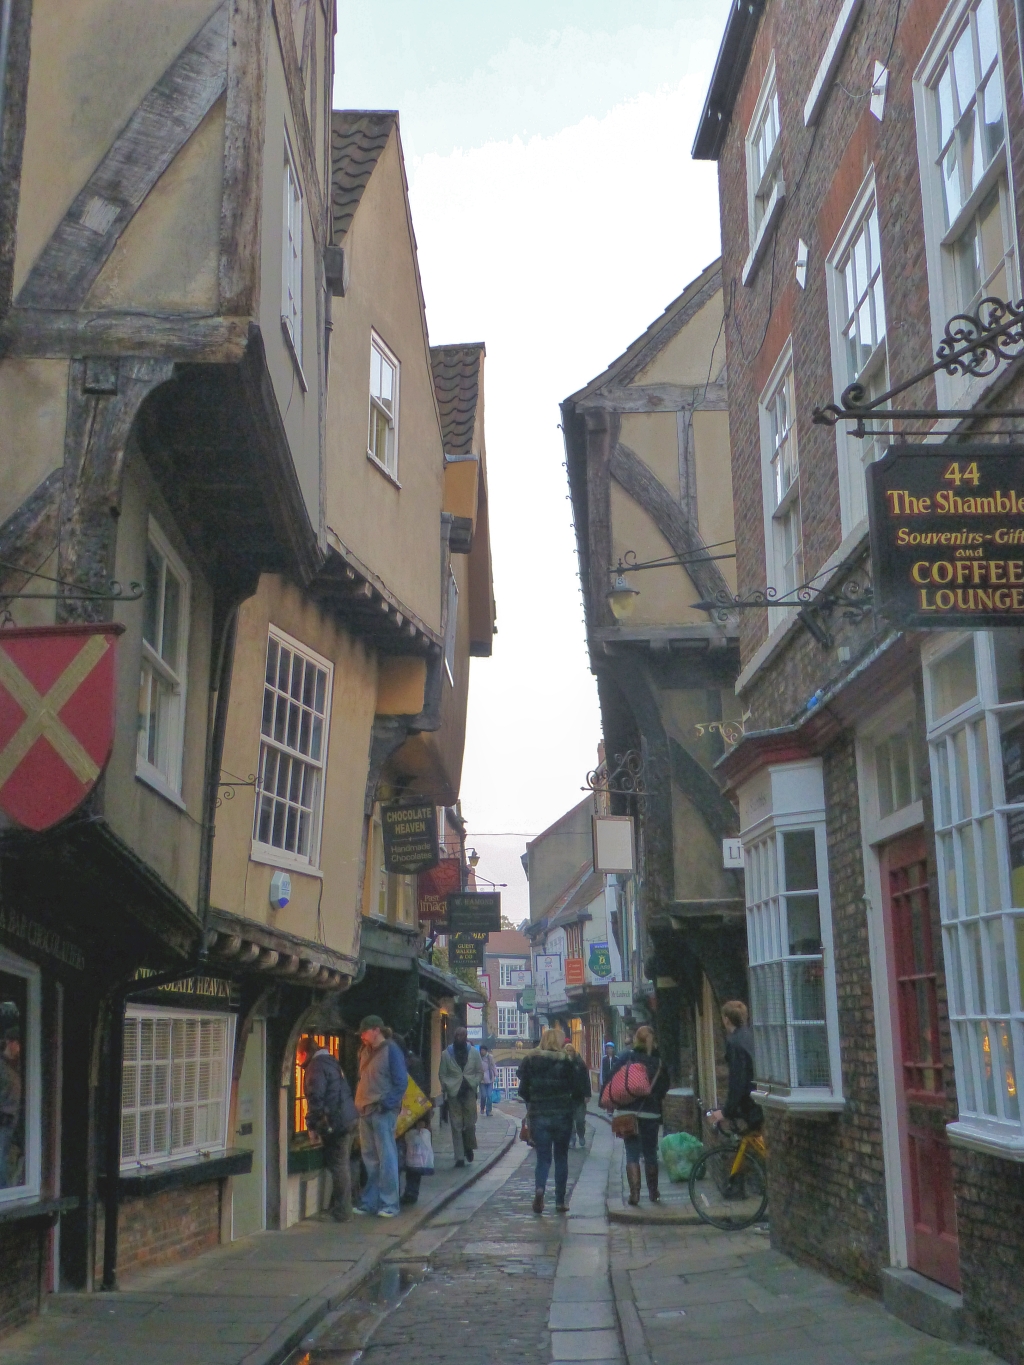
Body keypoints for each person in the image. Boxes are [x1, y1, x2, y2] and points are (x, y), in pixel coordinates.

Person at [517, 1028, 586, 1214]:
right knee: (561, 1157)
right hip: (562, 1115)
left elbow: (522, 1090)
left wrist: (533, 1099)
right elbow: (578, 1090)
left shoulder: (531, 1060)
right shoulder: (567, 1062)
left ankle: (540, 1189)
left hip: (540, 1115)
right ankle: (560, 1201)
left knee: (543, 1158)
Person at [296, 1035, 358, 1222]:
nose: (298, 1061)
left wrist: (312, 1125)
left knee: (339, 1166)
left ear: (305, 1053)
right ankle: (343, 1205)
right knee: (345, 1164)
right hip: (349, 1117)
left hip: (336, 1122)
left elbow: (316, 1097)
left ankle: (342, 1211)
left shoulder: (316, 1067)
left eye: (298, 1057)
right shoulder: (332, 1062)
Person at [608, 1024, 670, 1206]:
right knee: (651, 1152)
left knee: (632, 1153)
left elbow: (613, 1079)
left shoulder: (627, 1057)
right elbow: (664, 1087)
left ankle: (634, 1193)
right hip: (650, 1113)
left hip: (628, 1112)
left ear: (636, 1039)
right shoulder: (658, 1062)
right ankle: (653, 1192)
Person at [353, 1015, 407, 1218]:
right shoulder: (365, 1051)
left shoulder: (391, 1050)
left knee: (387, 1158)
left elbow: (401, 1082)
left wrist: (387, 1104)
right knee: (371, 1159)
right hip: (365, 1110)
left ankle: (390, 1203)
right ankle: (371, 1201)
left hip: (381, 1110)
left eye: (365, 1033)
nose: (362, 1037)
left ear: (376, 1030)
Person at [710, 1000, 763, 1134]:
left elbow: (737, 1079)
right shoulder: (751, 1036)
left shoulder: (734, 1043)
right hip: (759, 1096)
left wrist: (727, 1110)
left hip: (749, 1102)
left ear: (726, 1020)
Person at [438, 1026, 484, 1166]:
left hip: (469, 1091)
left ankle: (469, 1146)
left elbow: (479, 1072)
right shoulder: (446, 1054)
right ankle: (459, 1157)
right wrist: (448, 1086)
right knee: (456, 1124)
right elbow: (442, 1074)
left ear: (466, 1036)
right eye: (457, 1035)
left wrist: (474, 1083)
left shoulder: (474, 1053)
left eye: (462, 1035)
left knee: (470, 1123)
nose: (459, 1037)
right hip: (454, 1092)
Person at [394, 1034, 431, 1206]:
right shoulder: (406, 1062)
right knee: (405, 1154)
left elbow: (421, 1091)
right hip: (401, 1114)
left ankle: (410, 1192)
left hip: (411, 1115)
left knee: (412, 1154)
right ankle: (406, 1191)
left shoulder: (411, 1064)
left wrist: (422, 1119)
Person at [0, 1027, 22, 1190]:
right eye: (17, 1044)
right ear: (10, 1043)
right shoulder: (2, 1068)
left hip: (13, 1125)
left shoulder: (16, 1067)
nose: (19, 1049)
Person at [563, 1043, 591, 1148]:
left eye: (571, 1051)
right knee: (569, 1120)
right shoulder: (563, 1064)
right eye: (567, 1051)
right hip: (567, 1097)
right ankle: (572, 1138)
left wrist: (587, 1094)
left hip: (579, 1097)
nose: (569, 1053)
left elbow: (586, 1080)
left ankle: (581, 1135)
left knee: (580, 1120)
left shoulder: (580, 1064)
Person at [479, 1045, 497, 1116]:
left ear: (486, 1051)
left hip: (490, 1078)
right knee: (483, 1095)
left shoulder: (490, 1057)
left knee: (489, 1096)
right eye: (481, 1050)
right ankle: (482, 1108)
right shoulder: (478, 1058)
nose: (482, 1052)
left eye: (483, 1050)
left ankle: (489, 1110)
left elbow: (493, 1066)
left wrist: (496, 1074)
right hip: (481, 1080)